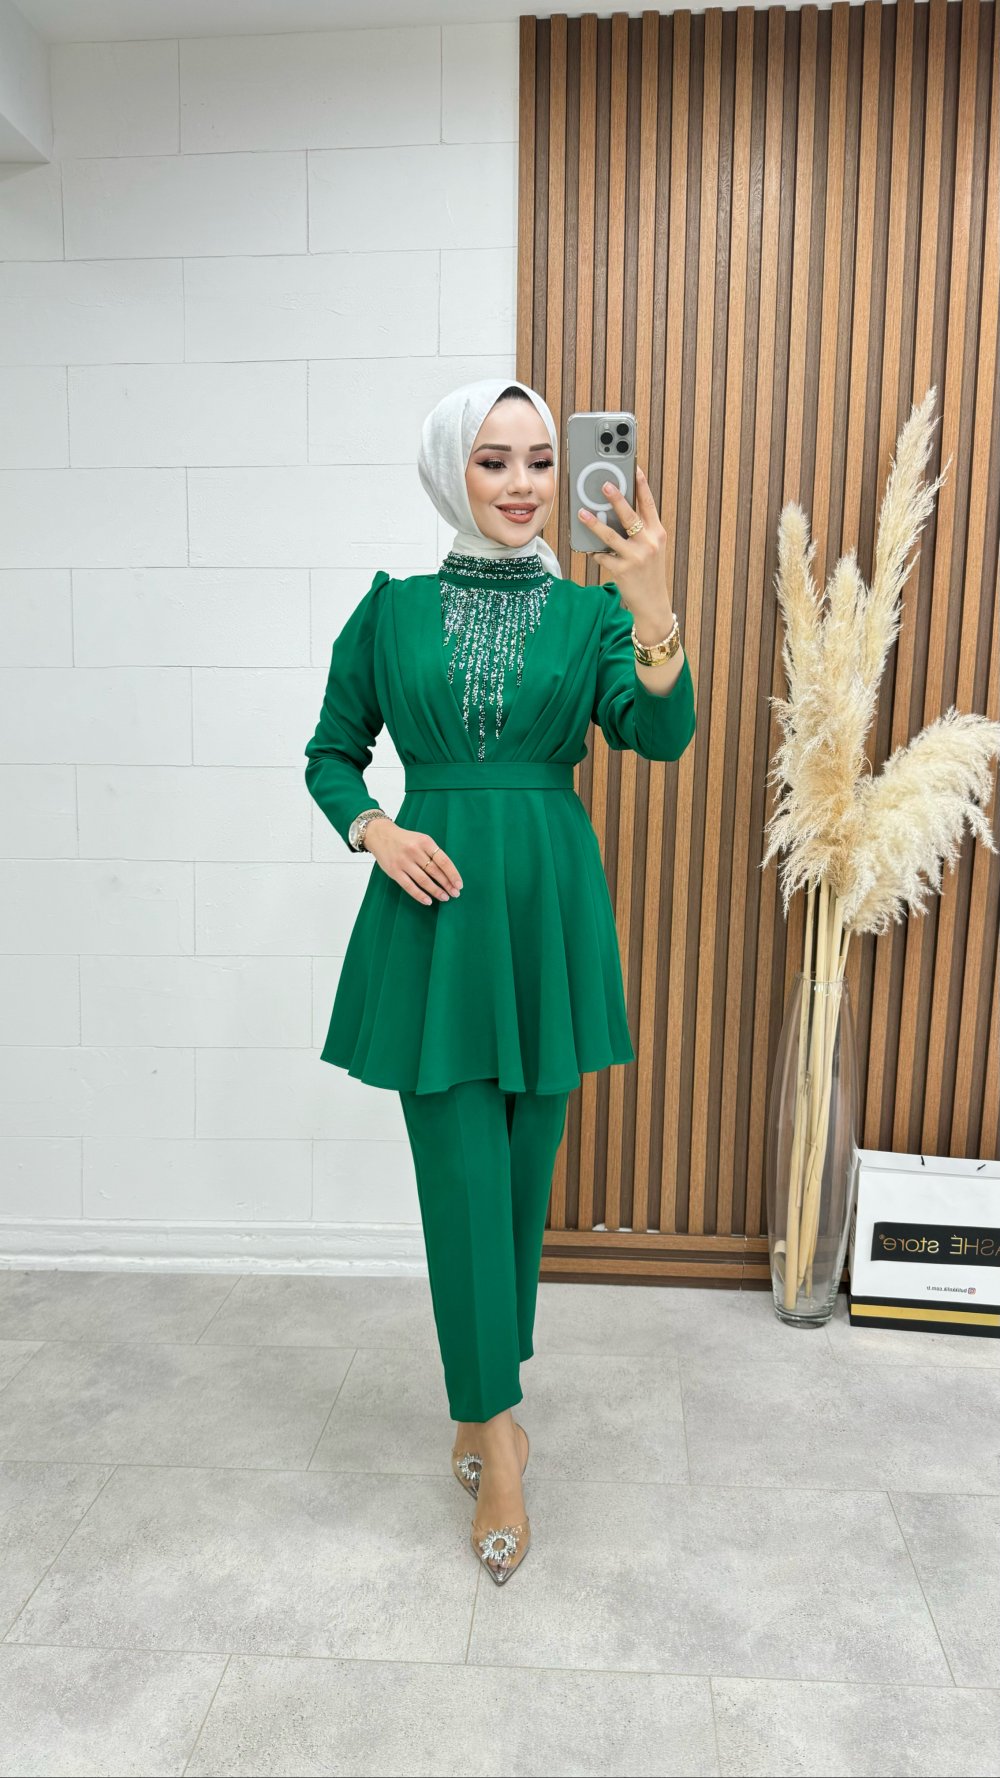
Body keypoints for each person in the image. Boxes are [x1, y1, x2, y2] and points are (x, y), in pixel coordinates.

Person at [304, 377, 696, 1583]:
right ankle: (497, 1436)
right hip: (430, 921)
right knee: (460, 1182)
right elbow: (330, 754)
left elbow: (659, 735)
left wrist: (653, 609)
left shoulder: (589, 615)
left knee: (520, 1189)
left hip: (544, 913)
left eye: (537, 459)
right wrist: (376, 827)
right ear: (449, 470)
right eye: (493, 460)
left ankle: (488, 1407)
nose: (523, 483)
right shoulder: (389, 611)